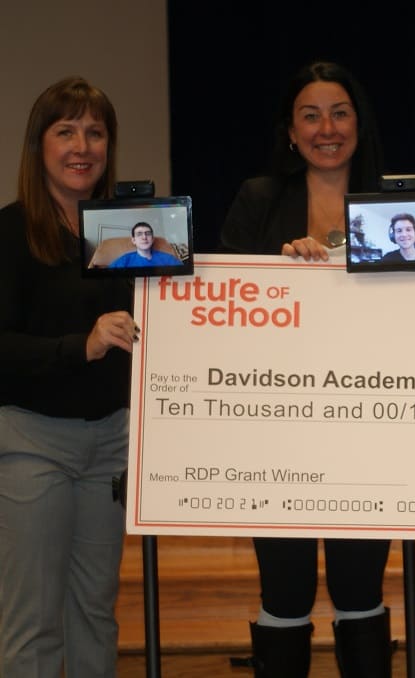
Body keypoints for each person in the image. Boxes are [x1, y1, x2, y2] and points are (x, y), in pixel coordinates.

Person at [219, 61, 393, 677]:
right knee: (285, 591)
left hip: (370, 427)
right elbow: (224, 305)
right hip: (279, 431)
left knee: (360, 590)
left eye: (340, 112)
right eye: (310, 115)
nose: (327, 128)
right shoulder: (258, 200)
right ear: (290, 131)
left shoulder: (397, 204)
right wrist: (277, 265)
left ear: (359, 123)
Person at [0, 76, 138, 677]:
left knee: (95, 615)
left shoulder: (132, 232)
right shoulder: (8, 233)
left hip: (111, 442)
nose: (83, 146)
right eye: (66, 131)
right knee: (33, 623)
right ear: (39, 145)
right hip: (33, 444)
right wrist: (76, 347)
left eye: (96, 132)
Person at [107, 221, 182, 268]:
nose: (144, 237)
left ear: (152, 239)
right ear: (133, 240)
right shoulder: (124, 261)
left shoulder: (168, 258)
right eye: (139, 234)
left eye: (148, 234)